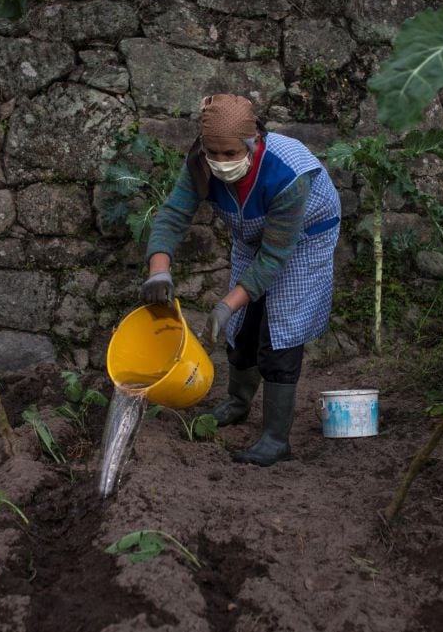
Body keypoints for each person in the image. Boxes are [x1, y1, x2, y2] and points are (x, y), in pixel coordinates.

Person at [140, 93, 341, 467]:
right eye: (212, 152)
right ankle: (237, 402)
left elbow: (274, 257)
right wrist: (159, 269)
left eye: (230, 154)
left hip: (304, 241)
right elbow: (173, 214)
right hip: (253, 237)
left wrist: (225, 304)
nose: (220, 162)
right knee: (243, 329)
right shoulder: (201, 163)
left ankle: (276, 439)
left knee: (280, 331)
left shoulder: (287, 173)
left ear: (254, 142)